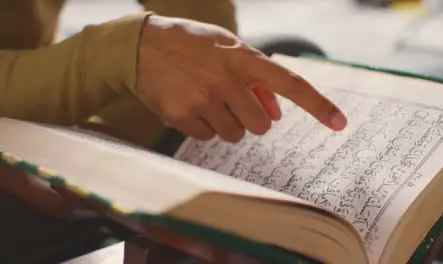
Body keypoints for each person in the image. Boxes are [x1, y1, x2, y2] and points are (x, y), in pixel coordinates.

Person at [0, 0, 347, 263]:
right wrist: (121, 52)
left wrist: (97, 147)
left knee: (282, 58)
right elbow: (116, 55)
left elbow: (195, 16)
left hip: (38, 92)